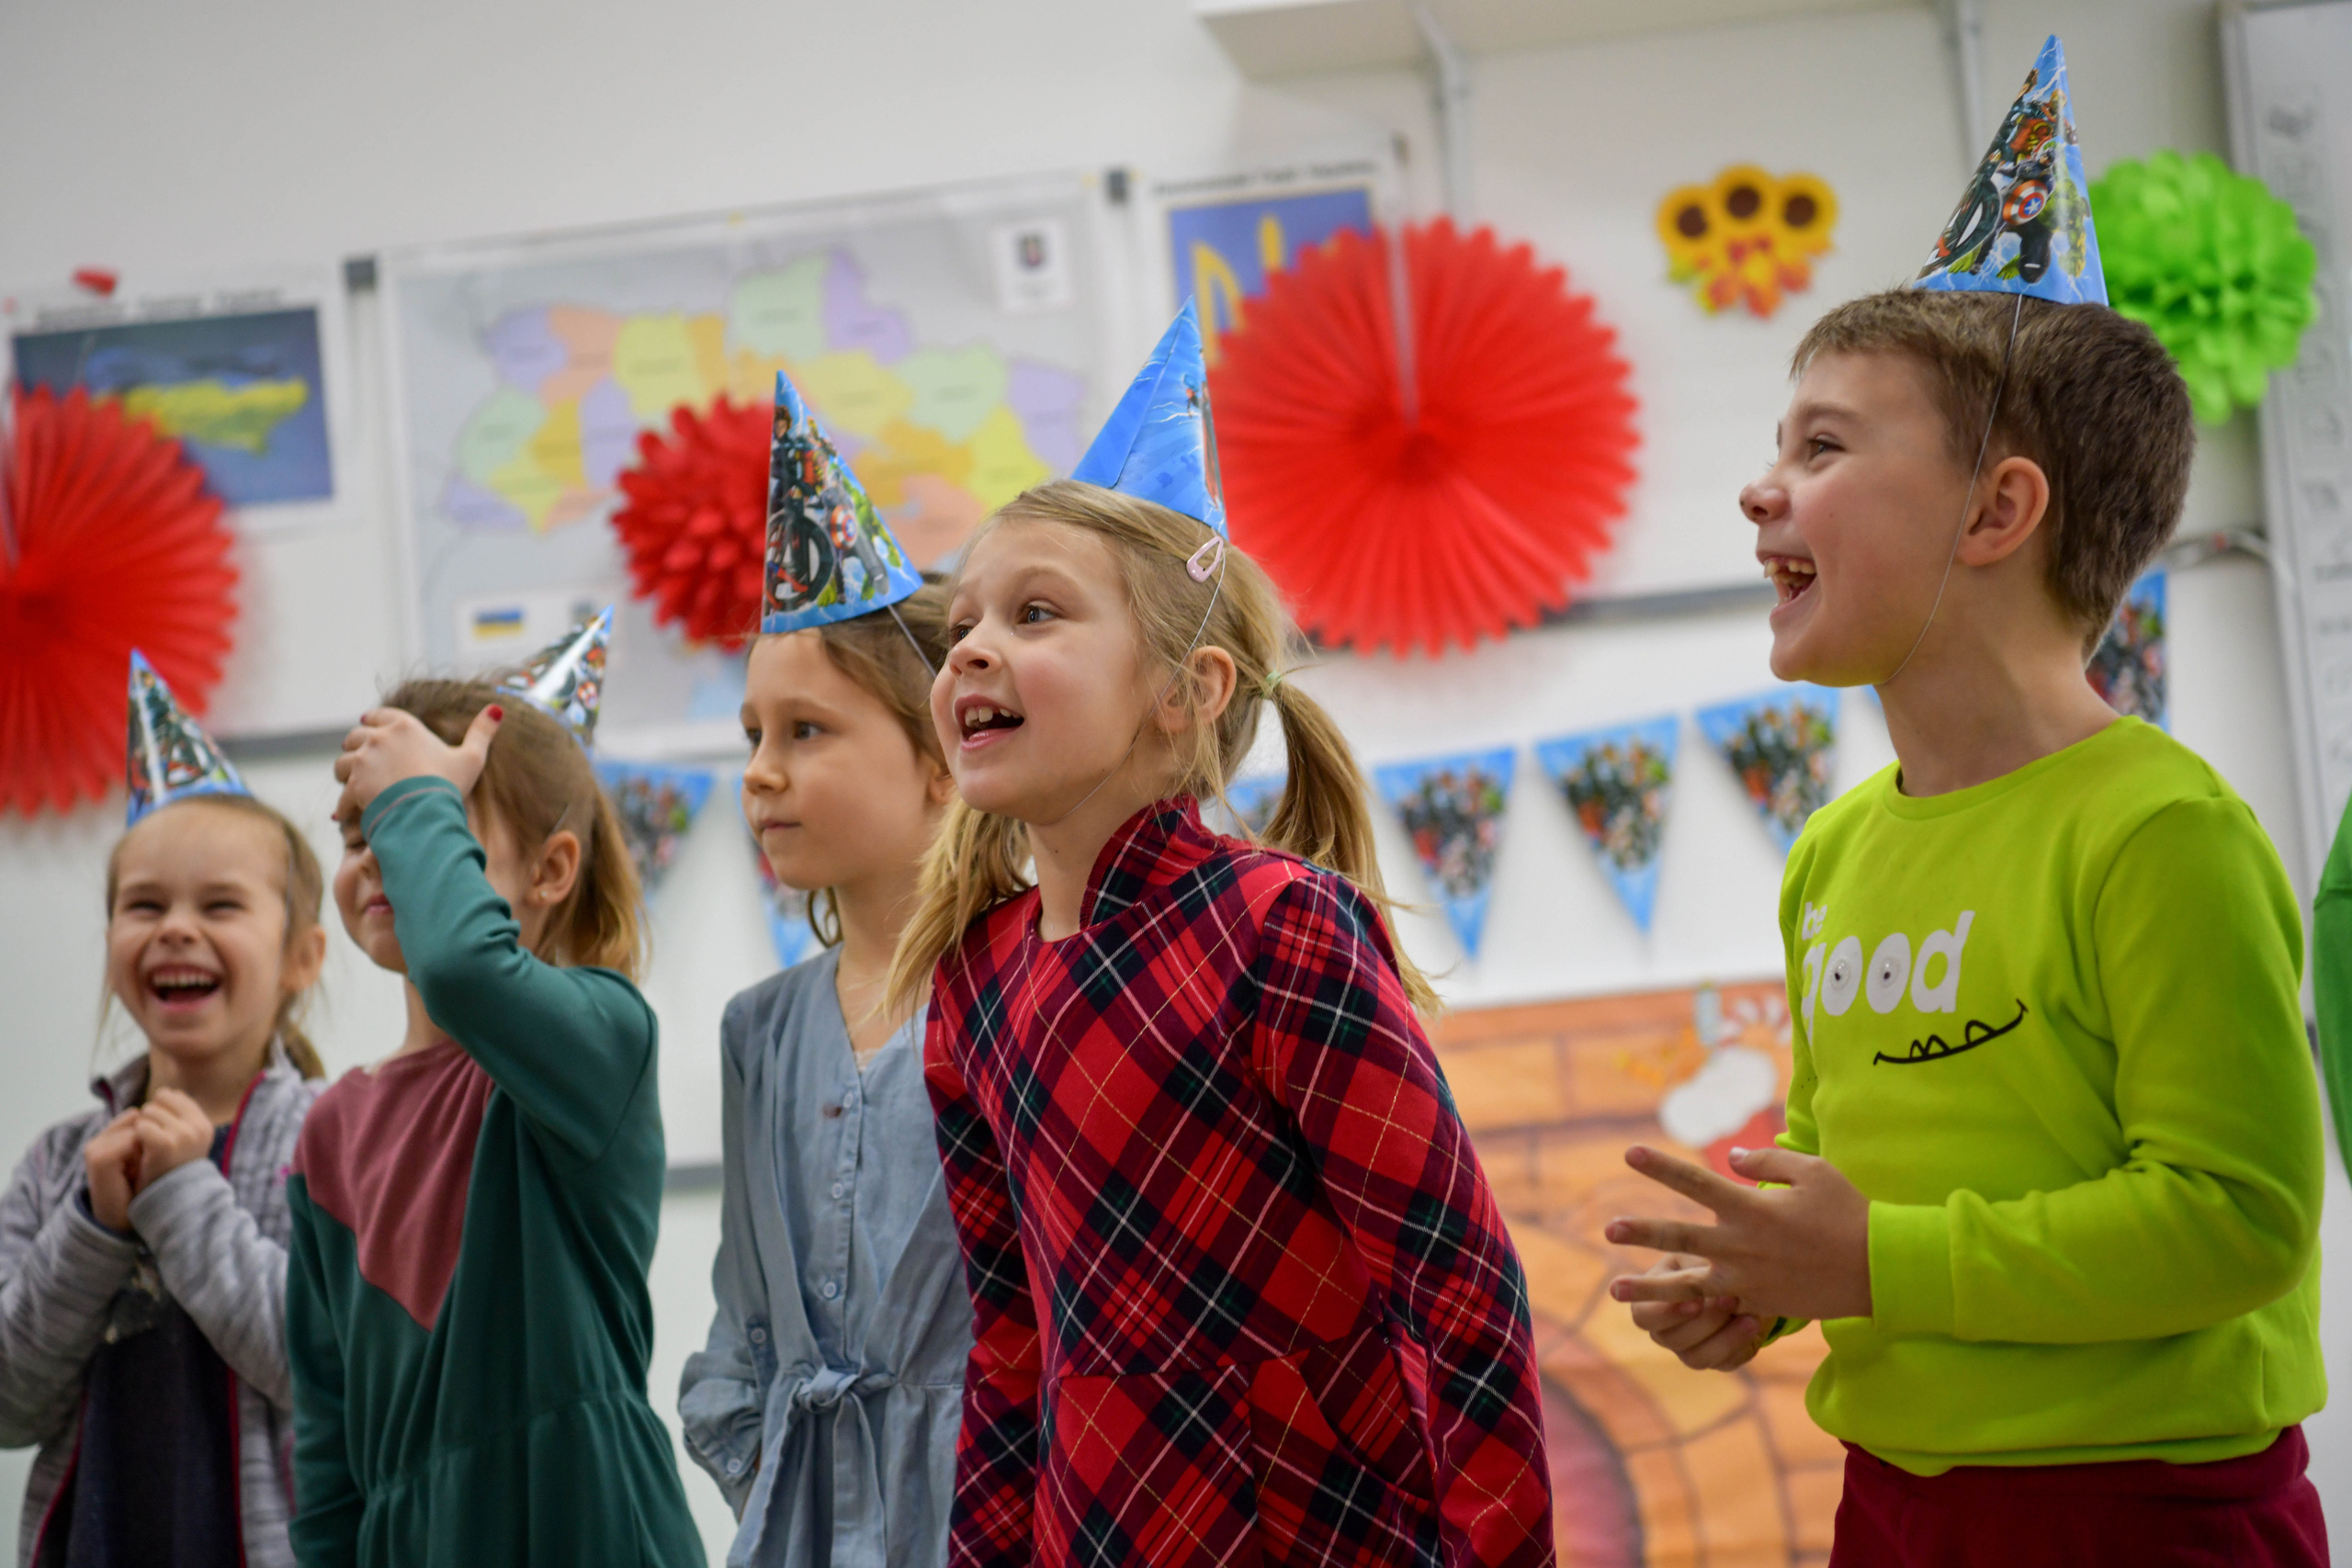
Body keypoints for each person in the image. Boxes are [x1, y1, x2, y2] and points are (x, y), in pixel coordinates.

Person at [1605, 39, 2329, 1567]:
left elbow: (2238, 1216)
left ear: (1997, 510)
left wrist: (1875, 1255)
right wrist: (1775, 1270)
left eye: (1822, 445)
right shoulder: (1835, 853)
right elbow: (1840, 1164)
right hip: (1899, 1501)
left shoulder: (2156, 829)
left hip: (2146, 1513)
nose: (1760, 489)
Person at [890, 306, 1555, 1568]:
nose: (973, 644)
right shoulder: (976, 981)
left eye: (1036, 614)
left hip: (1319, 1527)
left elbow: (1456, 1287)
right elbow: (1015, 1341)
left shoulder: (1279, 928)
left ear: (1181, 693)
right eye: (965, 622)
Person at [285, 668, 703, 1567]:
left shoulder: (602, 1037)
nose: (380, 850)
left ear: (551, 871)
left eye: (430, 813)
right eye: (360, 832)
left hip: (584, 1522)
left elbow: (467, 971)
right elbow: (324, 1455)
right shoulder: (328, 1132)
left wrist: (410, 795)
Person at [677, 372, 969, 1568]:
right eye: (752, 732)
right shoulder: (762, 1028)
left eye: (807, 731)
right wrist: (778, 1475)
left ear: (943, 757)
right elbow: (741, 1329)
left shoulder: (1017, 992)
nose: (760, 769)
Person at [0, 656, 329, 1568]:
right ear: (113, 950)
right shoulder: (58, 1162)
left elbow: (320, 1370)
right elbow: (10, 1403)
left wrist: (182, 1193)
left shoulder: (330, 1139)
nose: (176, 928)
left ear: (303, 957)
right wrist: (91, 1227)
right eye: (144, 906)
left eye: (220, 904)